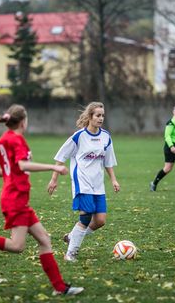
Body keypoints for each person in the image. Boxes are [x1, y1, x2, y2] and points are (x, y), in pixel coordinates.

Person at [0, 105, 84, 296]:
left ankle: (60, 287)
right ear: (23, 121)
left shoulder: (4, 139)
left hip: (17, 198)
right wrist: (53, 168)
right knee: (17, 246)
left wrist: (9, 176)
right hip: (14, 199)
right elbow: (22, 165)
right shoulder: (16, 139)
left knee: (45, 240)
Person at [47, 102, 120, 262]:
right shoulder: (79, 136)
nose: (101, 118)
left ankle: (72, 236)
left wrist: (113, 180)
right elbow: (61, 158)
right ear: (90, 117)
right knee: (85, 218)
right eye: (97, 115)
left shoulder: (106, 137)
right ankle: (70, 253)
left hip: (98, 185)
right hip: (82, 183)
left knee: (100, 221)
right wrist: (54, 179)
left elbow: (108, 161)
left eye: (102, 115)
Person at [149, 104, 175, 192]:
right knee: (168, 168)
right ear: (173, 111)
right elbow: (167, 136)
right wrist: (171, 147)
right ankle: (154, 183)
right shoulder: (170, 123)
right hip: (170, 147)